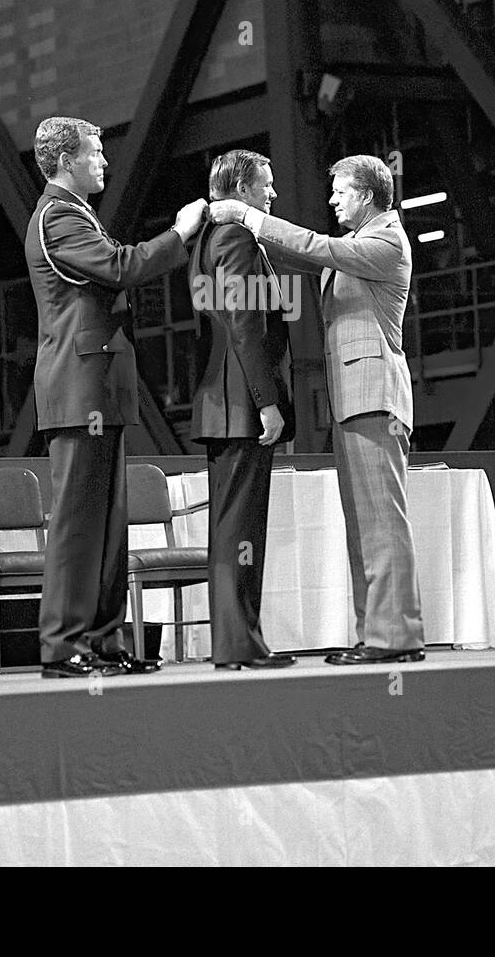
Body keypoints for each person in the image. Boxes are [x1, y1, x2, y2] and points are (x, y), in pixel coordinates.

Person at [210, 154, 424, 665]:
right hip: (356, 399)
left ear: (367, 196)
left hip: (375, 398)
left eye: (340, 192)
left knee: (381, 523)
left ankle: (393, 639)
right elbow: (307, 257)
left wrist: (249, 218)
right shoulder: (360, 243)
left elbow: (317, 247)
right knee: (364, 523)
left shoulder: (386, 240)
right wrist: (250, 240)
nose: (332, 200)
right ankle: (375, 632)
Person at [26, 115, 206, 678]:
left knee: (107, 524)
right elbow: (120, 267)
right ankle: (63, 645)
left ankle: (101, 640)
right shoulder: (58, 215)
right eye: (95, 153)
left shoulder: (75, 213)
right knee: (79, 522)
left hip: (97, 387)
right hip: (79, 388)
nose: (104, 161)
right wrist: (179, 234)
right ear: (64, 162)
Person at [190, 150, 295, 670]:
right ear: (242, 189)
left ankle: (238, 641)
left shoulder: (209, 238)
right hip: (239, 406)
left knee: (235, 528)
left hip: (225, 403)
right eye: (265, 185)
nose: (271, 193)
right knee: (239, 531)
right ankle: (238, 645)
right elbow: (245, 323)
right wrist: (267, 403)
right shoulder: (234, 238)